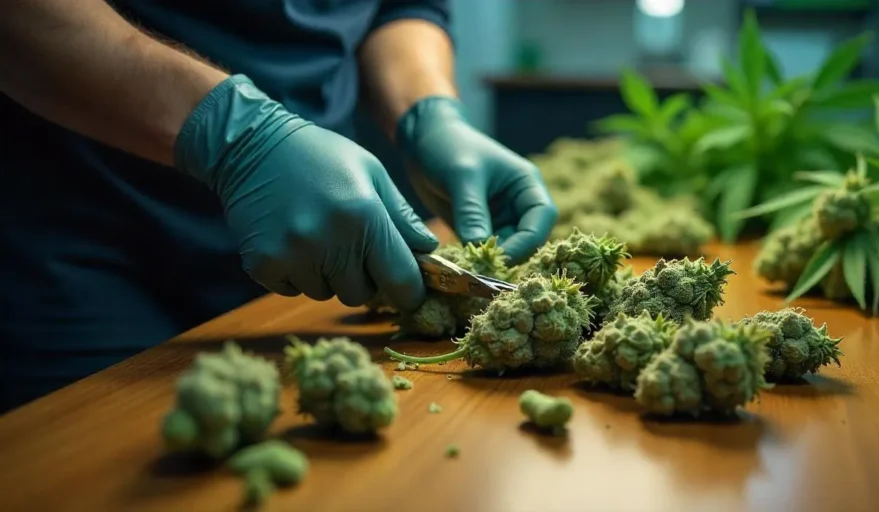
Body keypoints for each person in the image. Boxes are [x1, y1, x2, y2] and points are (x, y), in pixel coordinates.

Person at [0, 0, 557, 412]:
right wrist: (239, 137)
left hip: (316, 251)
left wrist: (427, 111)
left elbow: (398, 7)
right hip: (84, 237)